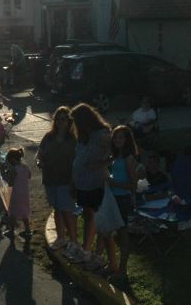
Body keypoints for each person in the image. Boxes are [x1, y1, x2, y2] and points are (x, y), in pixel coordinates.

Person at [91, 125, 140, 277]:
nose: (117, 140)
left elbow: (133, 185)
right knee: (106, 231)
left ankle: (122, 270)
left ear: (127, 140)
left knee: (122, 234)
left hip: (122, 199)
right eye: (115, 137)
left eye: (121, 138)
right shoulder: (114, 156)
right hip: (111, 198)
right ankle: (111, 264)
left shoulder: (129, 158)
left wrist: (113, 183)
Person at [67, 103, 112, 265]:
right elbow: (77, 159)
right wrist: (73, 182)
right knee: (87, 216)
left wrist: (100, 164)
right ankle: (86, 250)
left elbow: (115, 153)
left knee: (99, 218)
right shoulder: (83, 136)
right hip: (82, 182)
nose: (74, 125)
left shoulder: (102, 134)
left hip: (96, 182)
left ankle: (98, 254)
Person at [36, 107, 78, 252]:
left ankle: (73, 240)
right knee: (57, 209)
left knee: (67, 210)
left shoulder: (73, 139)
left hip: (66, 179)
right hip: (50, 178)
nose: (60, 122)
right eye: (58, 119)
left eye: (63, 119)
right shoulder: (48, 137)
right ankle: (61, 237)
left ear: (68, 121)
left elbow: (77, 160)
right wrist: (39, 162)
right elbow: (39, 154)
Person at [3, 147, 31, 239]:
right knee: (24, 213)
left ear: (12, 160)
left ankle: (11, 231)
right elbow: (29, 176)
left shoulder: (14, 170)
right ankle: (28, 231)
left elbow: (10, 183)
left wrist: (6, 176)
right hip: (25, 193)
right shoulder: (25, 167)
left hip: (15, 194)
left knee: (12, 213)